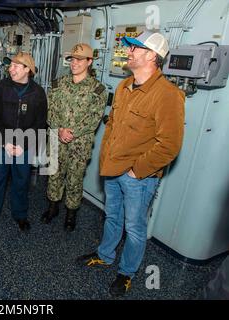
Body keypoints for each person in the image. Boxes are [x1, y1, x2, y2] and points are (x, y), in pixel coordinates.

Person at [76, 31, 185, 297]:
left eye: (136, 48)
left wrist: (138, 171)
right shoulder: (125, 86)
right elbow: (113, 125)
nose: (130, 52)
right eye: (131, 47)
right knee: (112, 216)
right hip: (112, 168)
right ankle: (105, 254)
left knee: (134, 228)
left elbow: (169, 145)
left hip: (139, 176)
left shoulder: (168, 95)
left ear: (151, 56)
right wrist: (106, 158)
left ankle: (127, 272)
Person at [42, 43, 107, 231]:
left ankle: (71, 214)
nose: (74, 63)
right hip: (56, 138)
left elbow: (94, 118)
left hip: (80, 143)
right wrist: (60, 129)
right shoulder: (58, 84)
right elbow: (50, 110)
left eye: (80, 59)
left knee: (75, 178)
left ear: (89, 62)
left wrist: (72, 132)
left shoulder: (98, 89)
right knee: (54, 174)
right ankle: (53, 207)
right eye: (72, 59)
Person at [0, 52, 47, 234]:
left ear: (28, 70)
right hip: (0, 144)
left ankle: (20, 215)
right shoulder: (1, 88)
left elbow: (40, 124)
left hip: (23, 147)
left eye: (16, 66)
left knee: (21, 182)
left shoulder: (38, 93)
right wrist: (4, 143)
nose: (11, 69)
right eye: (10, 65)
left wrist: (23, 145)